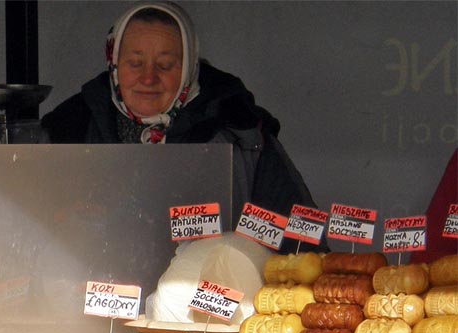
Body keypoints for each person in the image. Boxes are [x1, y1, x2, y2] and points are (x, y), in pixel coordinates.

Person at [41, 1, 327, 254]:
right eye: (134, 63)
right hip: (92, 304)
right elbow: (30, 224)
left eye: (165, 65)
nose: (148, 77)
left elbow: (302, 237)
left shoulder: (240, 128)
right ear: (113, 65)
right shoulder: (71, 126)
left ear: (190, 68)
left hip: (207, 308)